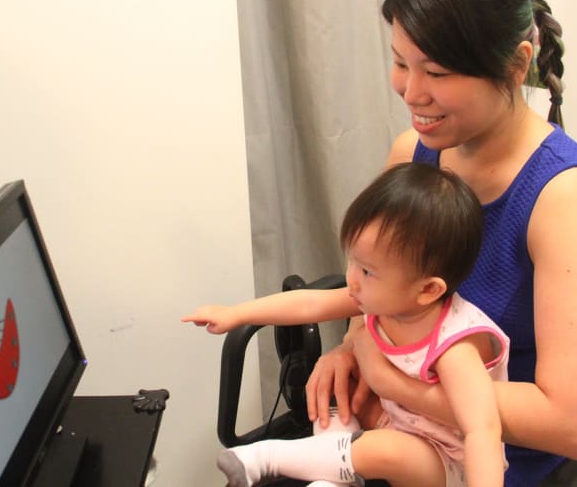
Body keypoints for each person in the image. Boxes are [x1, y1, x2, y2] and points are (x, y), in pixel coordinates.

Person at [304, 0, 577, 486]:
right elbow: (378, 283)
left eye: (439, 73)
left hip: (494, 455)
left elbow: (576, 427)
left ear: (518, 64)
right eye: (401, 63)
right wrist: (354, 347)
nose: (410, 91)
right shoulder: (416, 154)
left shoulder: (563, 197)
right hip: (397, 430)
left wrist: (396, 381)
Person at [184, 161, 510, 487]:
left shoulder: (455, 345)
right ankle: (333, 481)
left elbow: (483, 429)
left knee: (387, 450)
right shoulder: (385, 299)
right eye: (352, 260)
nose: (352, 280)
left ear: (427, 290)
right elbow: (309, 302)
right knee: (336, 400)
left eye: (367, 271)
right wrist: (237, 314)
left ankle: (267, 458)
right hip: (396, 422)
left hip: (447, 464)